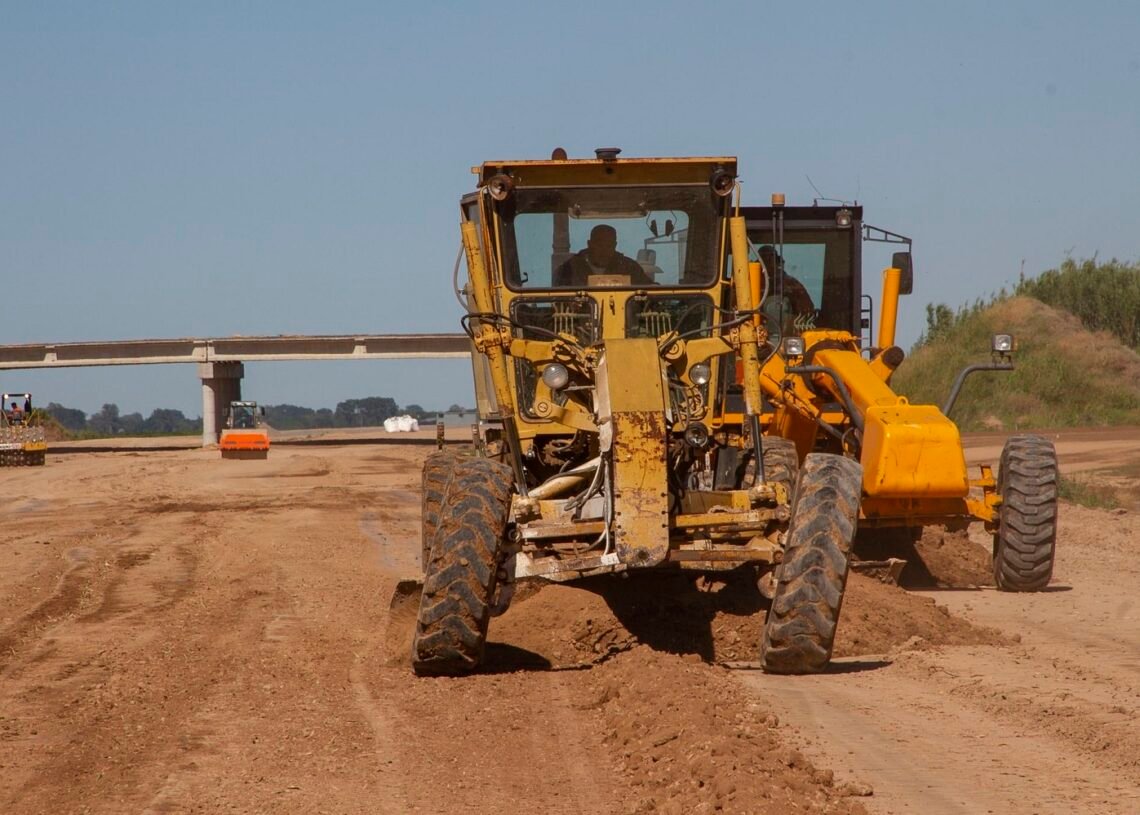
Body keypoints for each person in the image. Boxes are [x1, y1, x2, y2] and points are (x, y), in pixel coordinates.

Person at [553, 224, 654, 287]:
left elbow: (651, 291)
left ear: (615, 246)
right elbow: (557, 299)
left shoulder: (630, 268)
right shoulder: (569, 269)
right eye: (599, 245)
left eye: (609, 245)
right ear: (589, 244)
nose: (604, 250)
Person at [758, 245, 814, 314]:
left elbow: (807, 309)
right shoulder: (751, 283)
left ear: (778, 261)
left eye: (771, 257)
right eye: (764, 258)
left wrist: (791, 298)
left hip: (785, 320)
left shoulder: (792, 284)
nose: (767, 261)